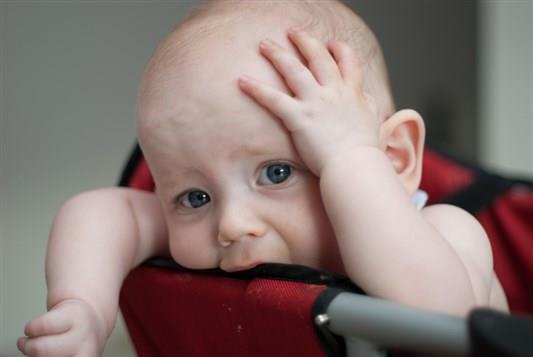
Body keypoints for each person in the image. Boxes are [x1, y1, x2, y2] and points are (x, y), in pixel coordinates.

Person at [17, 0, 508, 355]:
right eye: (194, 196)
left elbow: (439, 318)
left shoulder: (449, 230)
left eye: (276, 173)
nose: (232, 224)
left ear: (394, 159)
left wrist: (349, 158)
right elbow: (105, 211)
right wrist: (85, 305)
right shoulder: (215, 230)